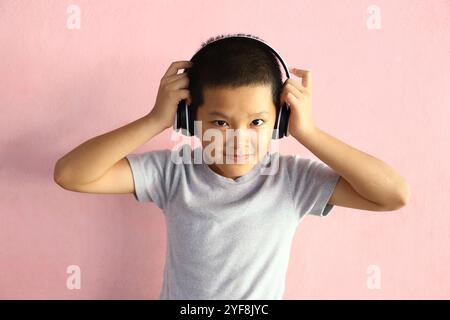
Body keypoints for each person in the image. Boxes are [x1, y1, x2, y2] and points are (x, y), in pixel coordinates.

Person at [53, 33, 410, 300]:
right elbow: (70, 174)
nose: (239, 139)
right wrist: (154, 120)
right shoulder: (173, 173)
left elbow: (392, 195)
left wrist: (311, 134)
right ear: (189, 118)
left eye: (257, 122)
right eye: (221, 123)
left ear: (281, 121)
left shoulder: (293, 181)